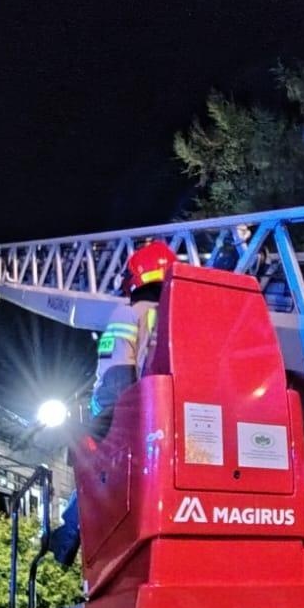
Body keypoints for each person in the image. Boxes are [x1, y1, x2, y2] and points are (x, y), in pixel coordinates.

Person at [47, 240, 177, 564]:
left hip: (134, 413)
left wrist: (96, 425)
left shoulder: (127, 313)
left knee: (90, 460)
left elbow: (115, 377)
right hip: (172, 417)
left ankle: (68, 533)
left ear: (134, 276)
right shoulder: (181, 314)